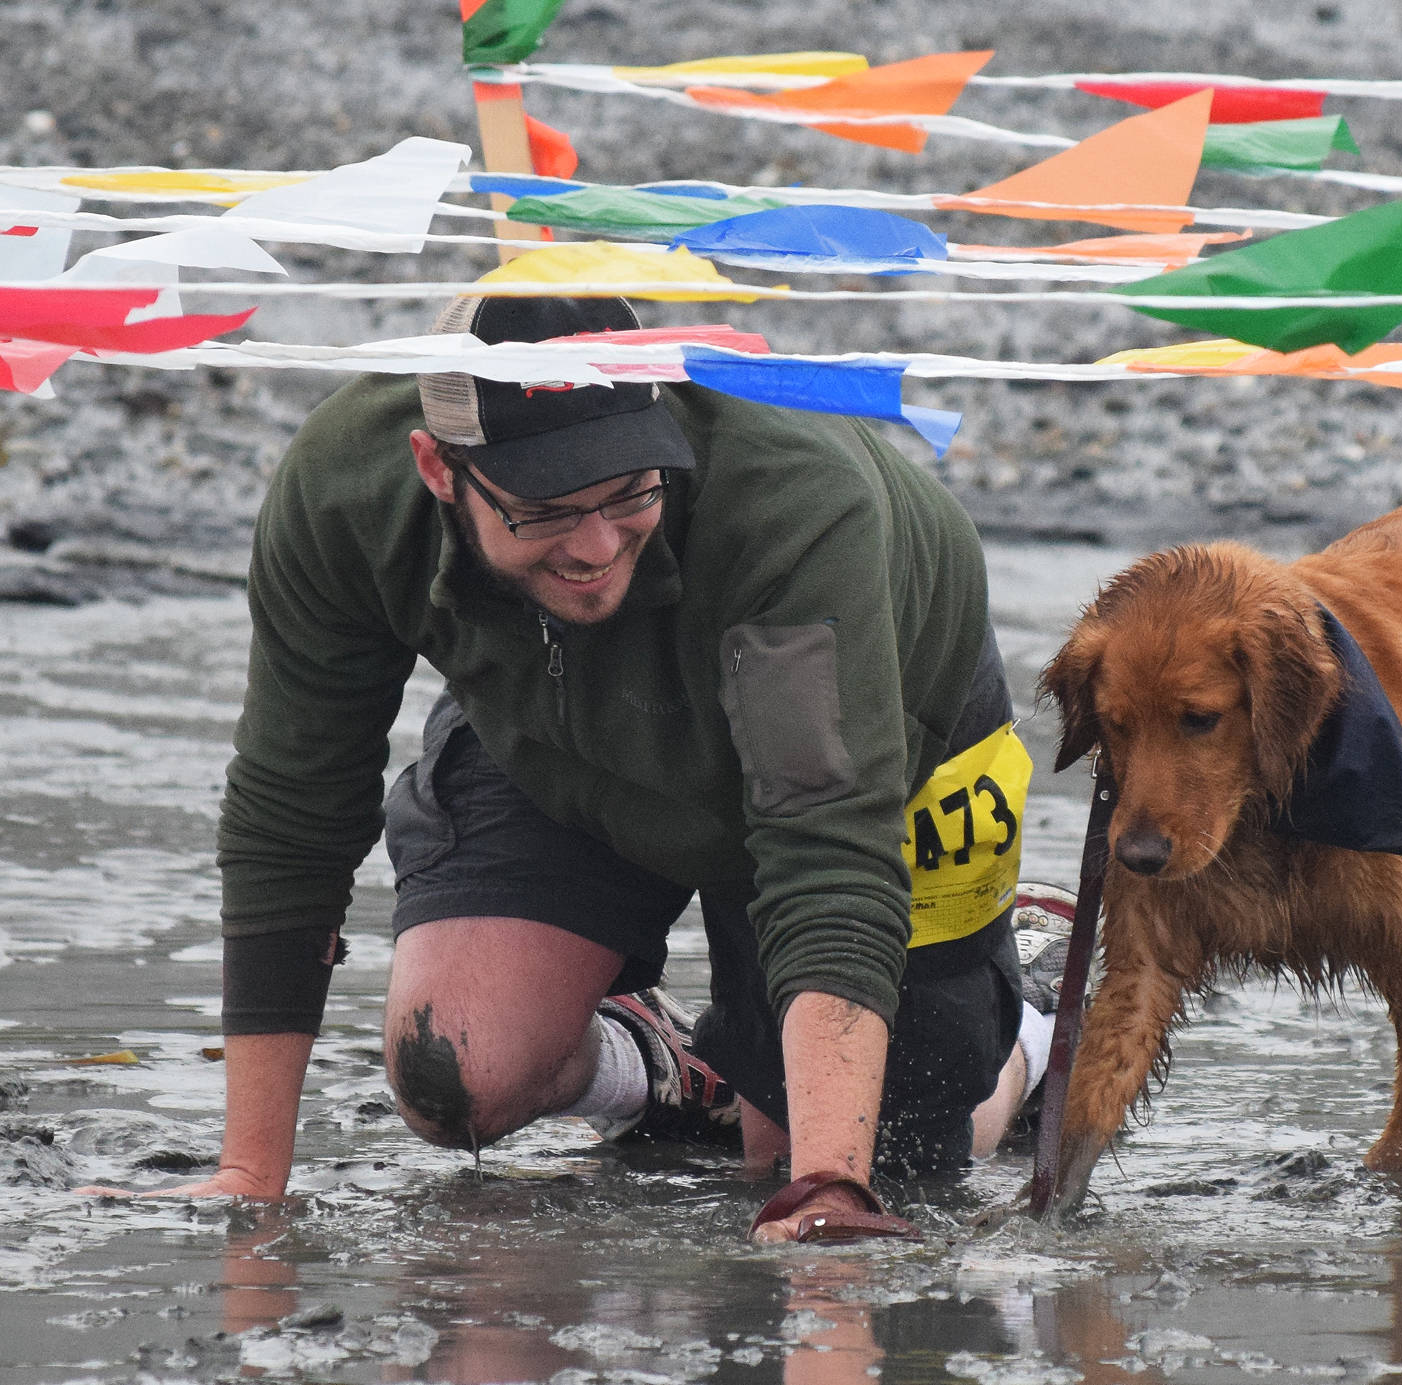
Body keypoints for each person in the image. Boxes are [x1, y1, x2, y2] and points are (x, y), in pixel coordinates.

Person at [93, 294, 1071, 1242]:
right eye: (549, 508)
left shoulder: (791, 506)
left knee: (852, 1160)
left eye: (629, 491)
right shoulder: (344, 492)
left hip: (858, 730)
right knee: (454, 1074)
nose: (598, 545)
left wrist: (827, 1194)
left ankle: (1016, 1035)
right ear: (437, 467)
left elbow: (826, 852)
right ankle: (667, 1063)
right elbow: (291, 812)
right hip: (562, 723)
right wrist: (250, 1178)